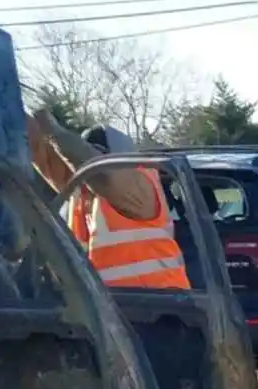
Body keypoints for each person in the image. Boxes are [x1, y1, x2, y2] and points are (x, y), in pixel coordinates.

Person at [25, 112, 188, 289]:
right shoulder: (82, 190)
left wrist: (53, 130)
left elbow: (100, 173)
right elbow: (40, 151)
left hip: (163, 306)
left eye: (102, 155)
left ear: (125, 159)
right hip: (110, 306)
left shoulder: (139, 186)